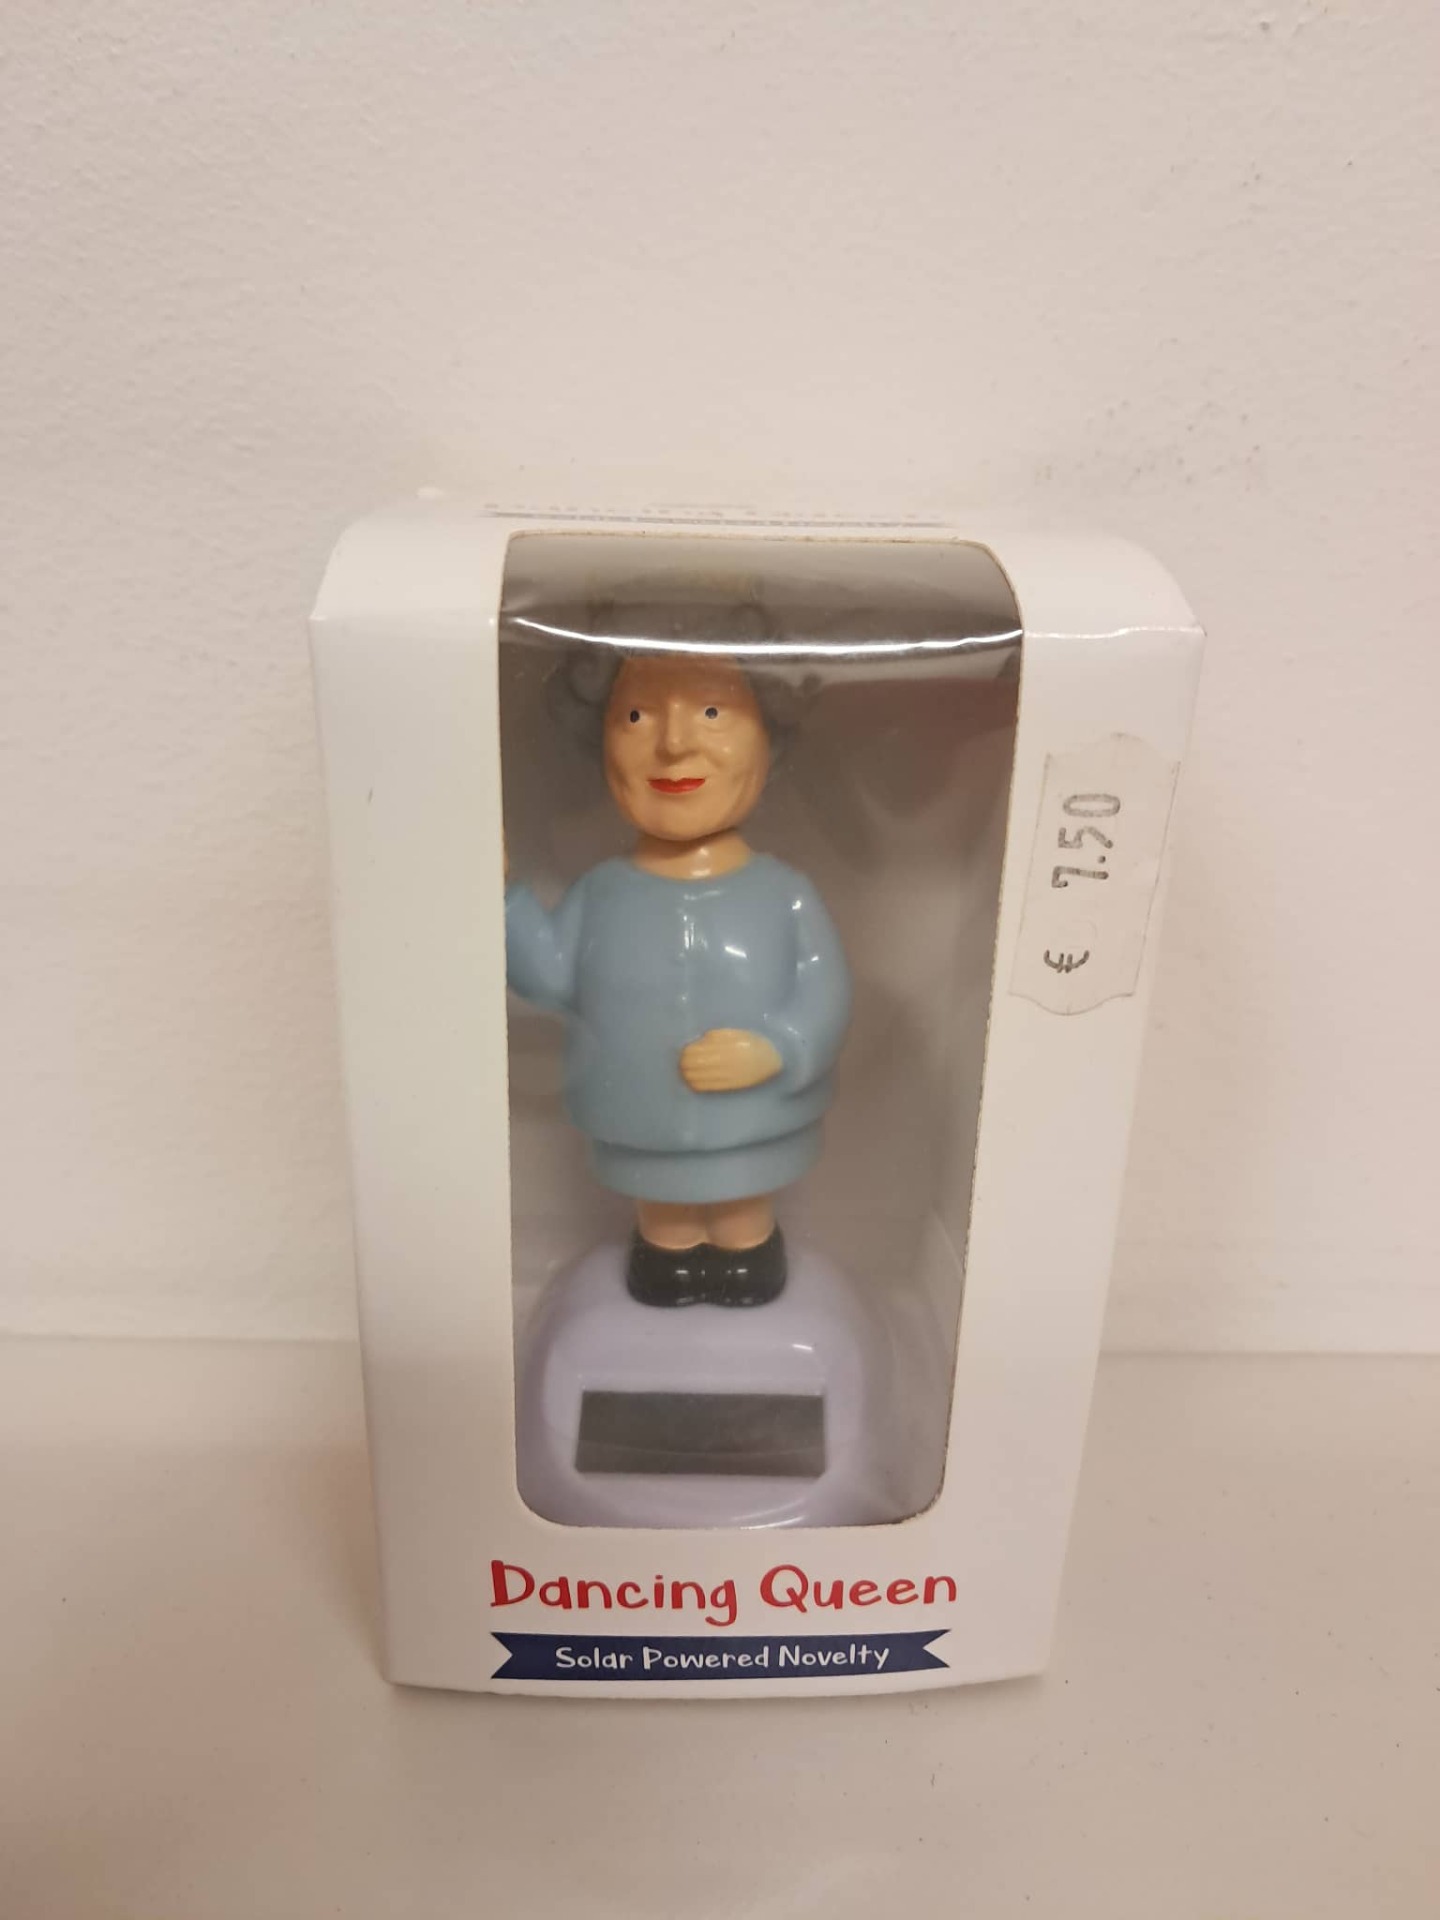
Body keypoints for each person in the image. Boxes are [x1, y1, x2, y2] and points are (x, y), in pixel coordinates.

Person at [505, 645, 850, 1307]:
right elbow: (547, 974)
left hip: (755, 1123)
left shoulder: (785, 894)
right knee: (665, 1219)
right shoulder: (600, 894)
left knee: (742, 1211)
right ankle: (667, 1255)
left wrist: (778, 1048)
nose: (673, 744)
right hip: (640, 1122)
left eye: (712, 712)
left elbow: (825, 993)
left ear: (768, 734)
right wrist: (503, 899)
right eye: (636, 717)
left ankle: (748, 1251)